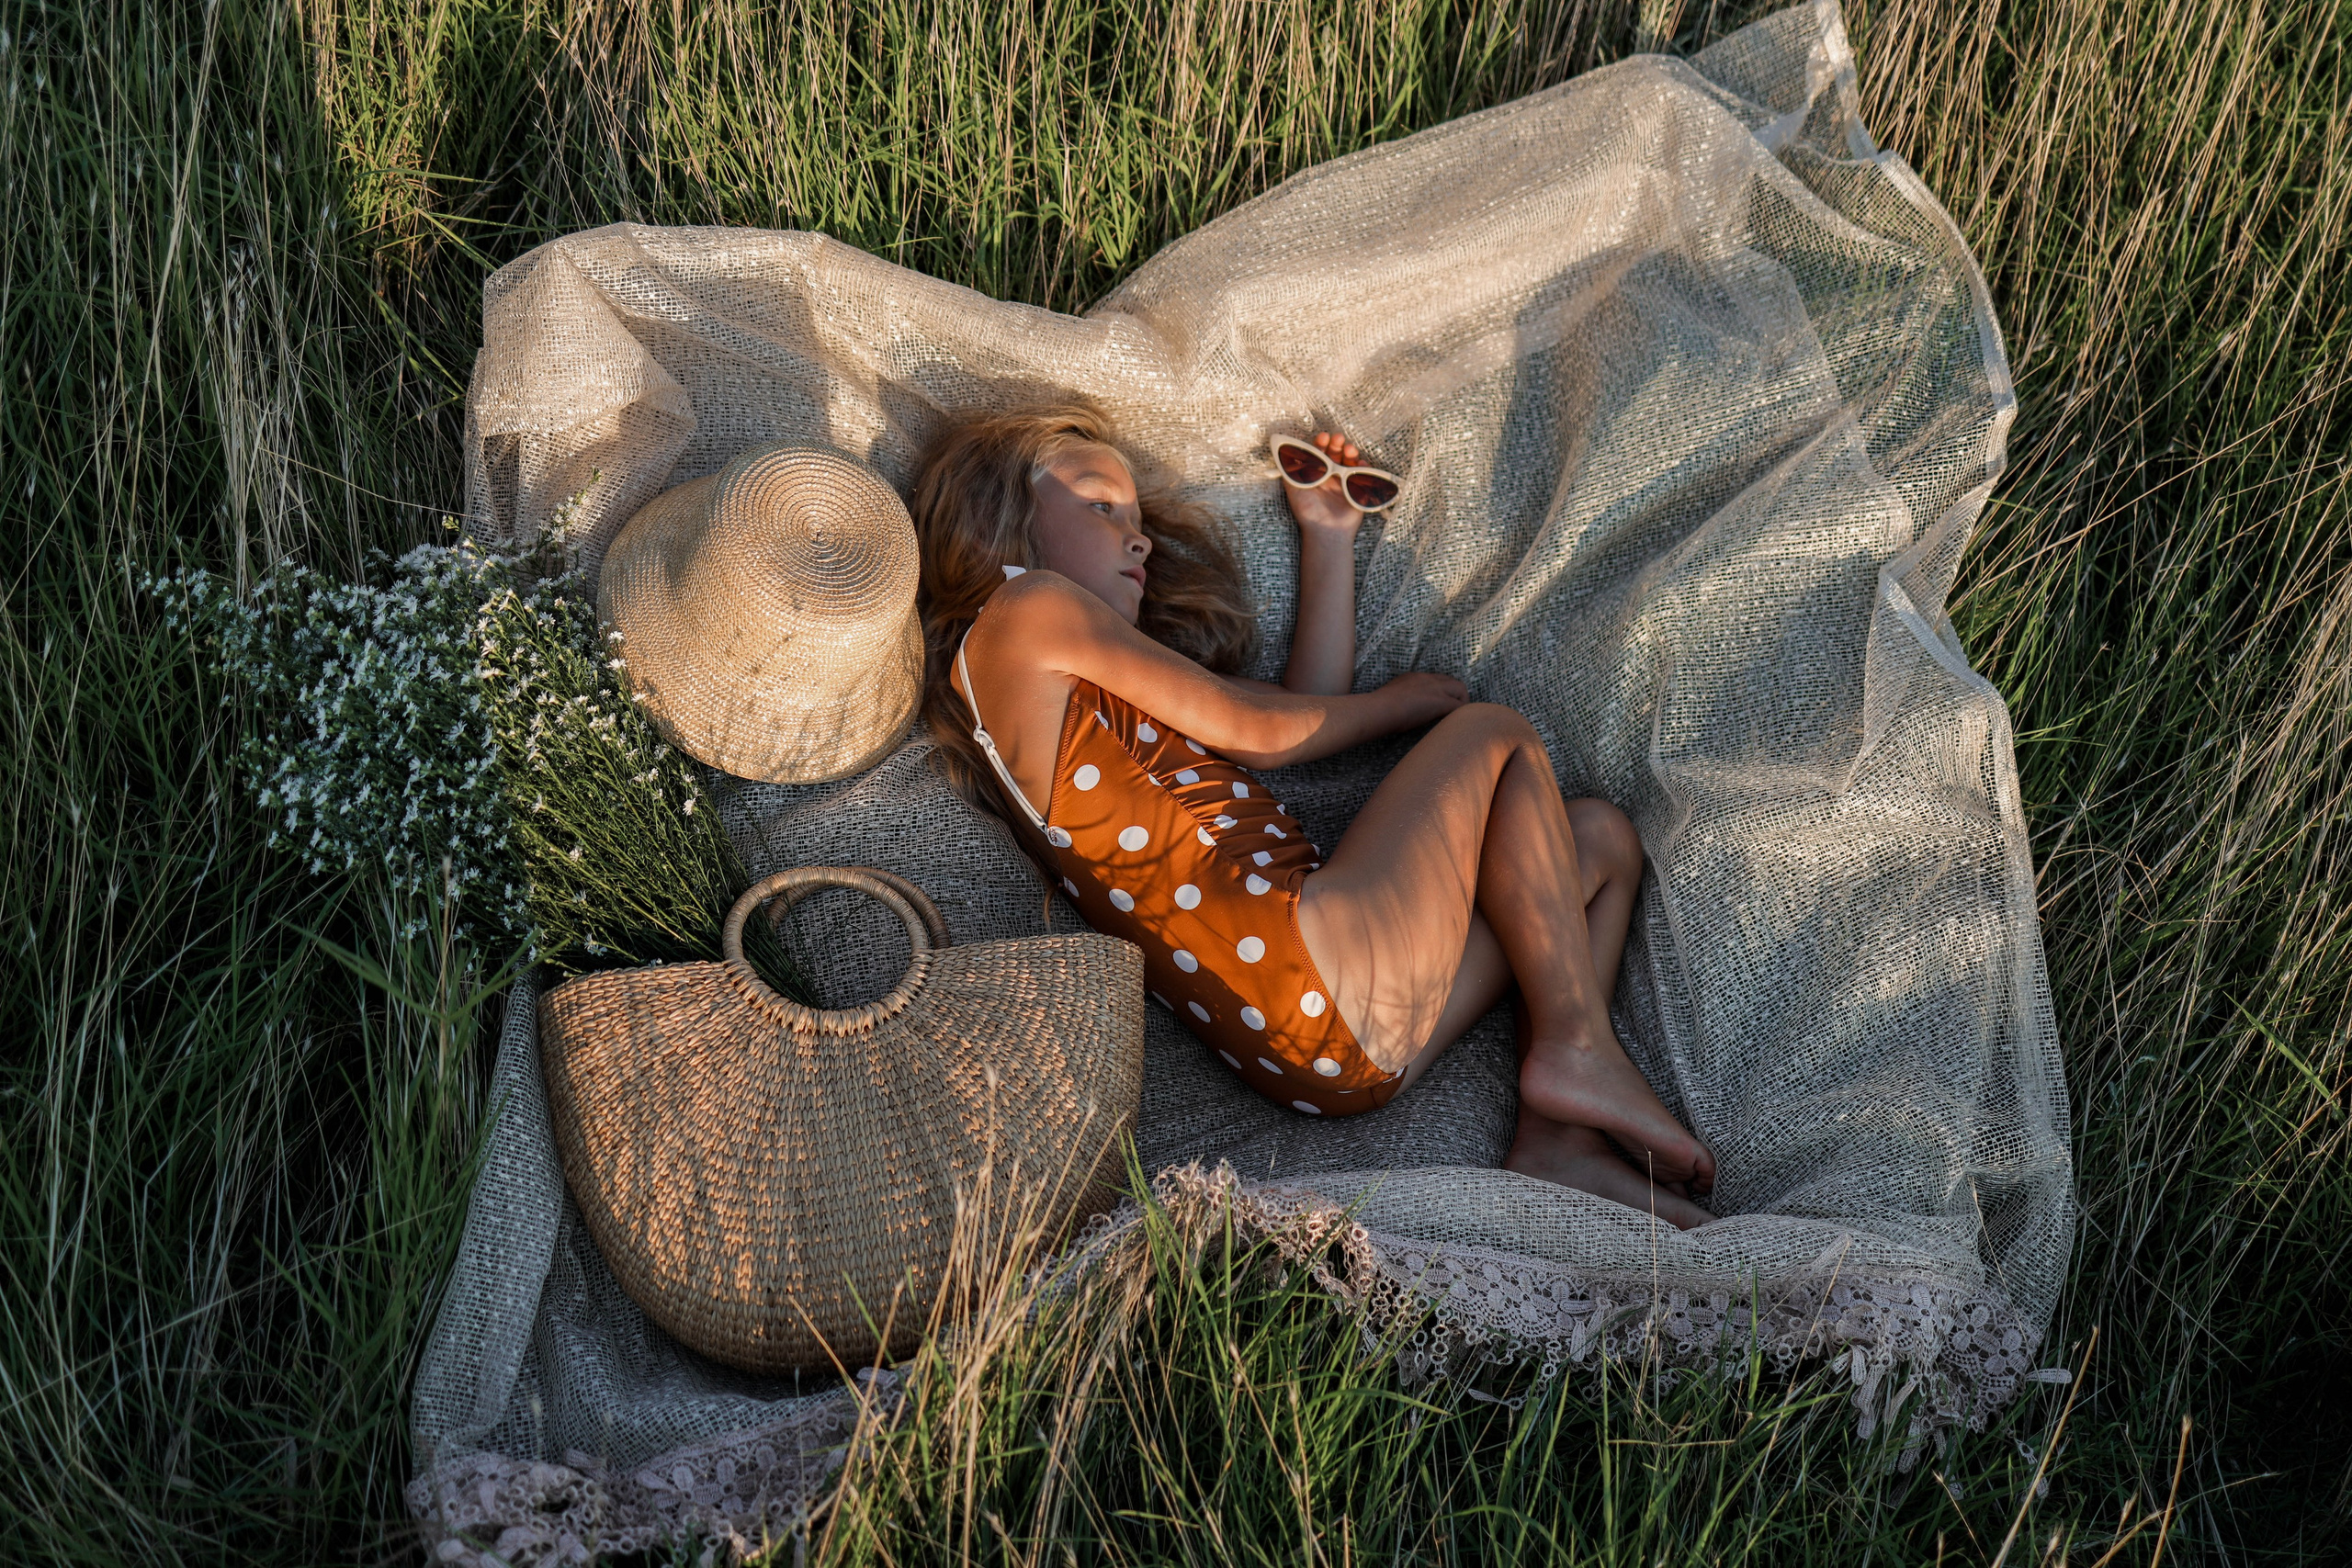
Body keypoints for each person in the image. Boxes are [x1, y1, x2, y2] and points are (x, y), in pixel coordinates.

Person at [910, 403, 1714, 1227]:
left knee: (1599, 842)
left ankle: (1557, 1141)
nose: (1138, 538)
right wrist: (1396, 704)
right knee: (1493, 735)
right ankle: (1577, 1045)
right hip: (1310, 966)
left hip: (1333, 1046)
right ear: (999, 517)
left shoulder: (1094, 695)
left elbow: (1300, 710)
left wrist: (1327, 536)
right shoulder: (1022, 616)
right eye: (1100, 504)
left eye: (1138, 519)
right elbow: (1261, 732)